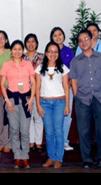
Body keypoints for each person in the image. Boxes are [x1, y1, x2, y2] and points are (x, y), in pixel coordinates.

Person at [70, 29, 101, 168]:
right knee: (84, 130)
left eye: (86, 39)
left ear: (91, 40)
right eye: (81, 40)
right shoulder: (75, 61)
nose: (84, 42)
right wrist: (76, 95)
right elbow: (73, 80)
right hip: (82, 99)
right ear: (79, 44)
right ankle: (87, 159)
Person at [0, 39, 35, 169]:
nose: (17, 51)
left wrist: (31, 100)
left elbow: (34, 82)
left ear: (22, 51)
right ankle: (17, 157)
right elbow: (2, 85)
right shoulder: (6, 65)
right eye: (14, 49)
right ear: (11, 51)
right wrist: (7, 101)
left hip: (26, 101)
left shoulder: (28, 64)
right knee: (14, 130)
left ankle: (25, 156)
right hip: (12, 101)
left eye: (19, 49)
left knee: (25, 130)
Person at [35, 41, 70, 169]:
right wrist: (38, 105)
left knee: (58, 131)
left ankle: (58, 159)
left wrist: (67, 105)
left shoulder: (63, 68)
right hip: (45, 102)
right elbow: (37, 87)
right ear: (46, 53)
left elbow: (66, 86)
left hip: (59, 102)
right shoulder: (39, 68)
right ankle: (51, 157)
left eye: (55, 52)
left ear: (58, 53)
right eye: (50, 51)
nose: (53, 54)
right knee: (49, 132)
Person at [50, 27, 75, 151]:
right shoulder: (50, 52)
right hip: (53, 89)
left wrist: (70, 82)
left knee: (67, 114)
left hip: (66, 88)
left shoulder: (69, 51)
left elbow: (73, 69)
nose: (58, 37)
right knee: (55, 116)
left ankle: (64, 141)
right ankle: (55, 142)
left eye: (60, 34)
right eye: (55, 35)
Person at [75, 23, 101, 95]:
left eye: (94, 30)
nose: (92, 32)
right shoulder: (80, 47)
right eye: (90, 30)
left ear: (98, 32)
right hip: (85, 85)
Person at [23, 33, 44, 151]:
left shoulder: (42, 57)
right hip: (26, 92)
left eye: (33, 41)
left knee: (39, 117)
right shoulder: (21, 57)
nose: (31, 44)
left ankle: (39, 142)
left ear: (36, 43)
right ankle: (31, 142)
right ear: (26, 43)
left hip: (39, 91)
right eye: (28, 41)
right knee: (28, 118)